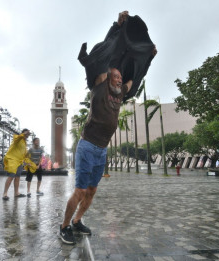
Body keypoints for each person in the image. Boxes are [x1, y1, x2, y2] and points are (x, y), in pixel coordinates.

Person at [59, 11, 157, 245]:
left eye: (121, 76)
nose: (120, 77)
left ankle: (77, 221)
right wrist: (117, 26)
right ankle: (64, 227)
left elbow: (139, 75)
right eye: (116, 74)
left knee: (92, 190)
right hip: (87, 147)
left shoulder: (121, 92)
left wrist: (149, 58)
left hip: (102, 150)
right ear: (108, 76)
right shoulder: (100, 86)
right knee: (80, 191)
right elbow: (104, 55)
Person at [2, 128, 36, 200]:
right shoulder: (17, 139)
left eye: (27, 134)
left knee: (17, 177)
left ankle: (16, 193)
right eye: (25, 133)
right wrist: (24, 134)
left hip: (19, 162)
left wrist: (28, 162)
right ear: (22, 133)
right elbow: (18, 138)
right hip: (13, 160)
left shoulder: (24, 143)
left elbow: (24, 155)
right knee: (11, 177)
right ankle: (5, 193)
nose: (27, 135)